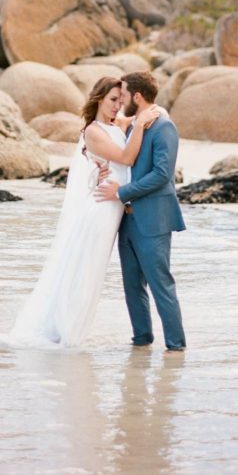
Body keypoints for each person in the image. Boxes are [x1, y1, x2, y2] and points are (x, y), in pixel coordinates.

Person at [11, 76, 159, 347]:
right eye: (113, 100)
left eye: (121, 100)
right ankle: (68, 333)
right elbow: (126, 158)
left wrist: (149, 113)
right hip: (101, 211)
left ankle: (72, 329)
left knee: (94, 273)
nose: (117, 106)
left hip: (115, 207)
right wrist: (139, 124)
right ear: (99, 98)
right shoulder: (93, 131)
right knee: (86, 271)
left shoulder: (116, 124)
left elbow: (150, 115)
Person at [96, 71, 186, 353]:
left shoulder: (164, 127)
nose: (119, 101)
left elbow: (162, 174)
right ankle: (141, 342)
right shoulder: (133, 124)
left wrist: (121, 193)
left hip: (154, 220)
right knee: (132, 287)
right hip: (127, 220)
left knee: (161, 286)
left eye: (122, 95)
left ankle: (175, 347)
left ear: (136, 96)